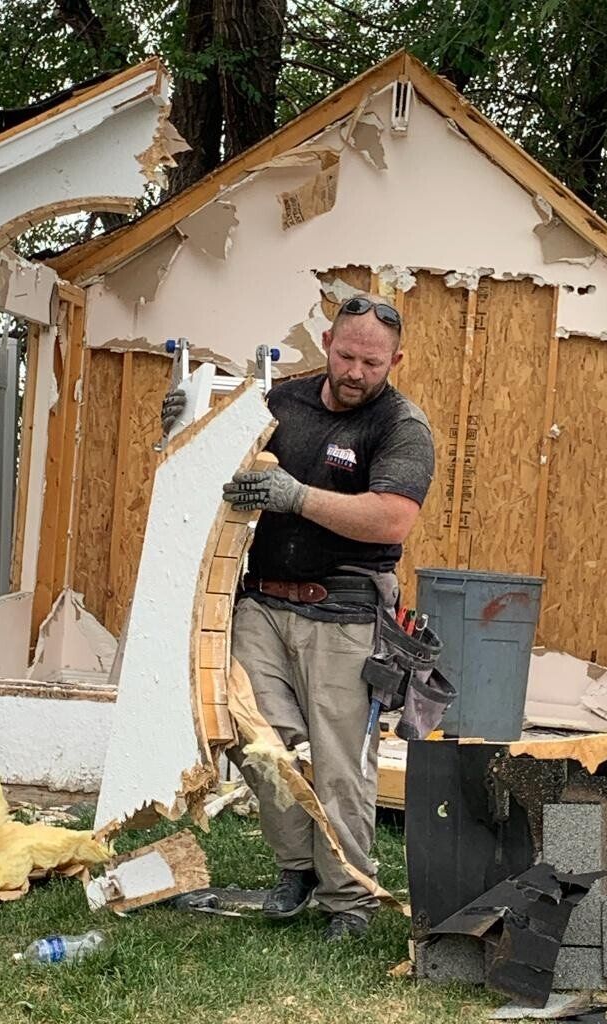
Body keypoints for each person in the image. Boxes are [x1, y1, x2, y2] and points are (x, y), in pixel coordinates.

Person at [162, 294, 435, 941]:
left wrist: (296, 497)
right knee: (257, 740)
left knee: (341, 764)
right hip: (261, 604)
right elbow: (212, 461)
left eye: (372, 363)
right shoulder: (280, 402)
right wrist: (183, 426)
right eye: (347, 356)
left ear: (396, 361)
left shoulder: (401, 426)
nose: (356, 372)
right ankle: (297, 869)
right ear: (327, 343)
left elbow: (392, 518)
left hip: (346, 613)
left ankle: (350, 900)